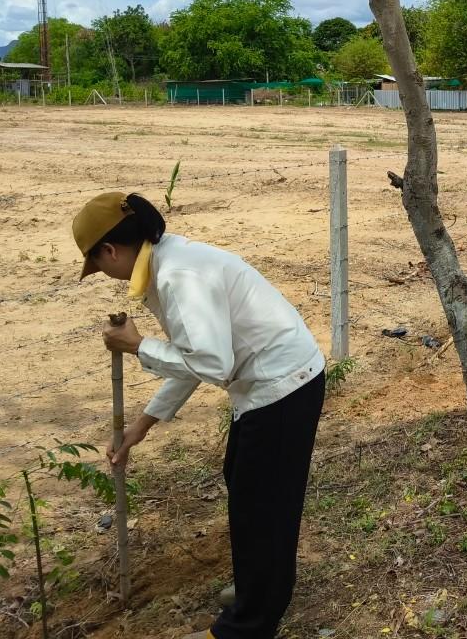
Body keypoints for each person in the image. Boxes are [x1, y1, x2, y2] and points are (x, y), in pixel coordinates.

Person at [72, 192, 324, 639]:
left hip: (282, 386)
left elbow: (210, 363)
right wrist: (142, 425)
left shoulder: (178, 277)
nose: (105, 275)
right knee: (247, 489)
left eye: (98, 265)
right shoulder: (167, 264)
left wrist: (137, 346)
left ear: (109, 250)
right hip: (268, 387)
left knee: (262, 507)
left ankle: (247, 625)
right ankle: (258, 590)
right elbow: (194, 356)